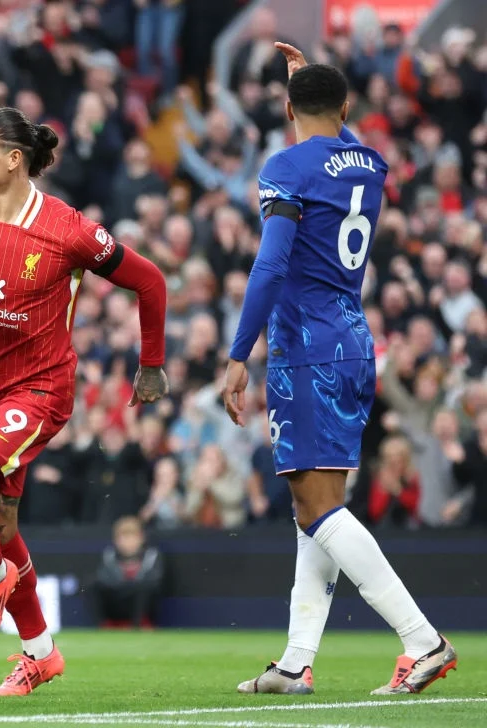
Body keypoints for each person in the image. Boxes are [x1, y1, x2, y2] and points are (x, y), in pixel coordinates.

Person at [0, 107, 169, 696]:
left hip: (39, 391)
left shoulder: (67, 228)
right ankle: (40, 654)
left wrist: (150, 364)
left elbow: (149, 280)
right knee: (3, 522)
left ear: (13, 160)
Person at [222, 44, 457, 696]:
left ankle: (423, 641)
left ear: (288, 109)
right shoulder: (371, 163)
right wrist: (311, 93)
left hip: (306, 344)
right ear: (346, 107)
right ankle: (297, 662)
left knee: (318, 506)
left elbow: (269, 265)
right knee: (314, 507)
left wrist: (239, 354)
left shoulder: (286, 165)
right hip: (353, 338)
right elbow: (339, 142)